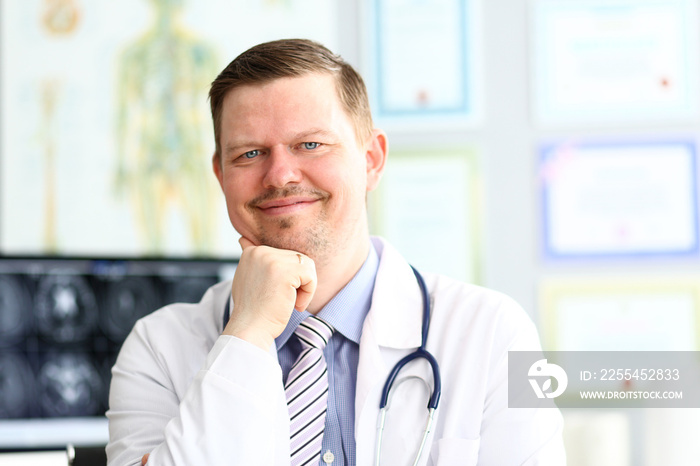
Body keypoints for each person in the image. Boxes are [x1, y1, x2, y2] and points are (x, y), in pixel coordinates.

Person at [106, 39, 566, 465]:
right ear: (220, 174)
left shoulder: (495, 333)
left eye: (310, 144)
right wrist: (246, 333)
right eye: (249, 153)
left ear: (372, 160)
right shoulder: (157, 349)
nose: (280, 175)